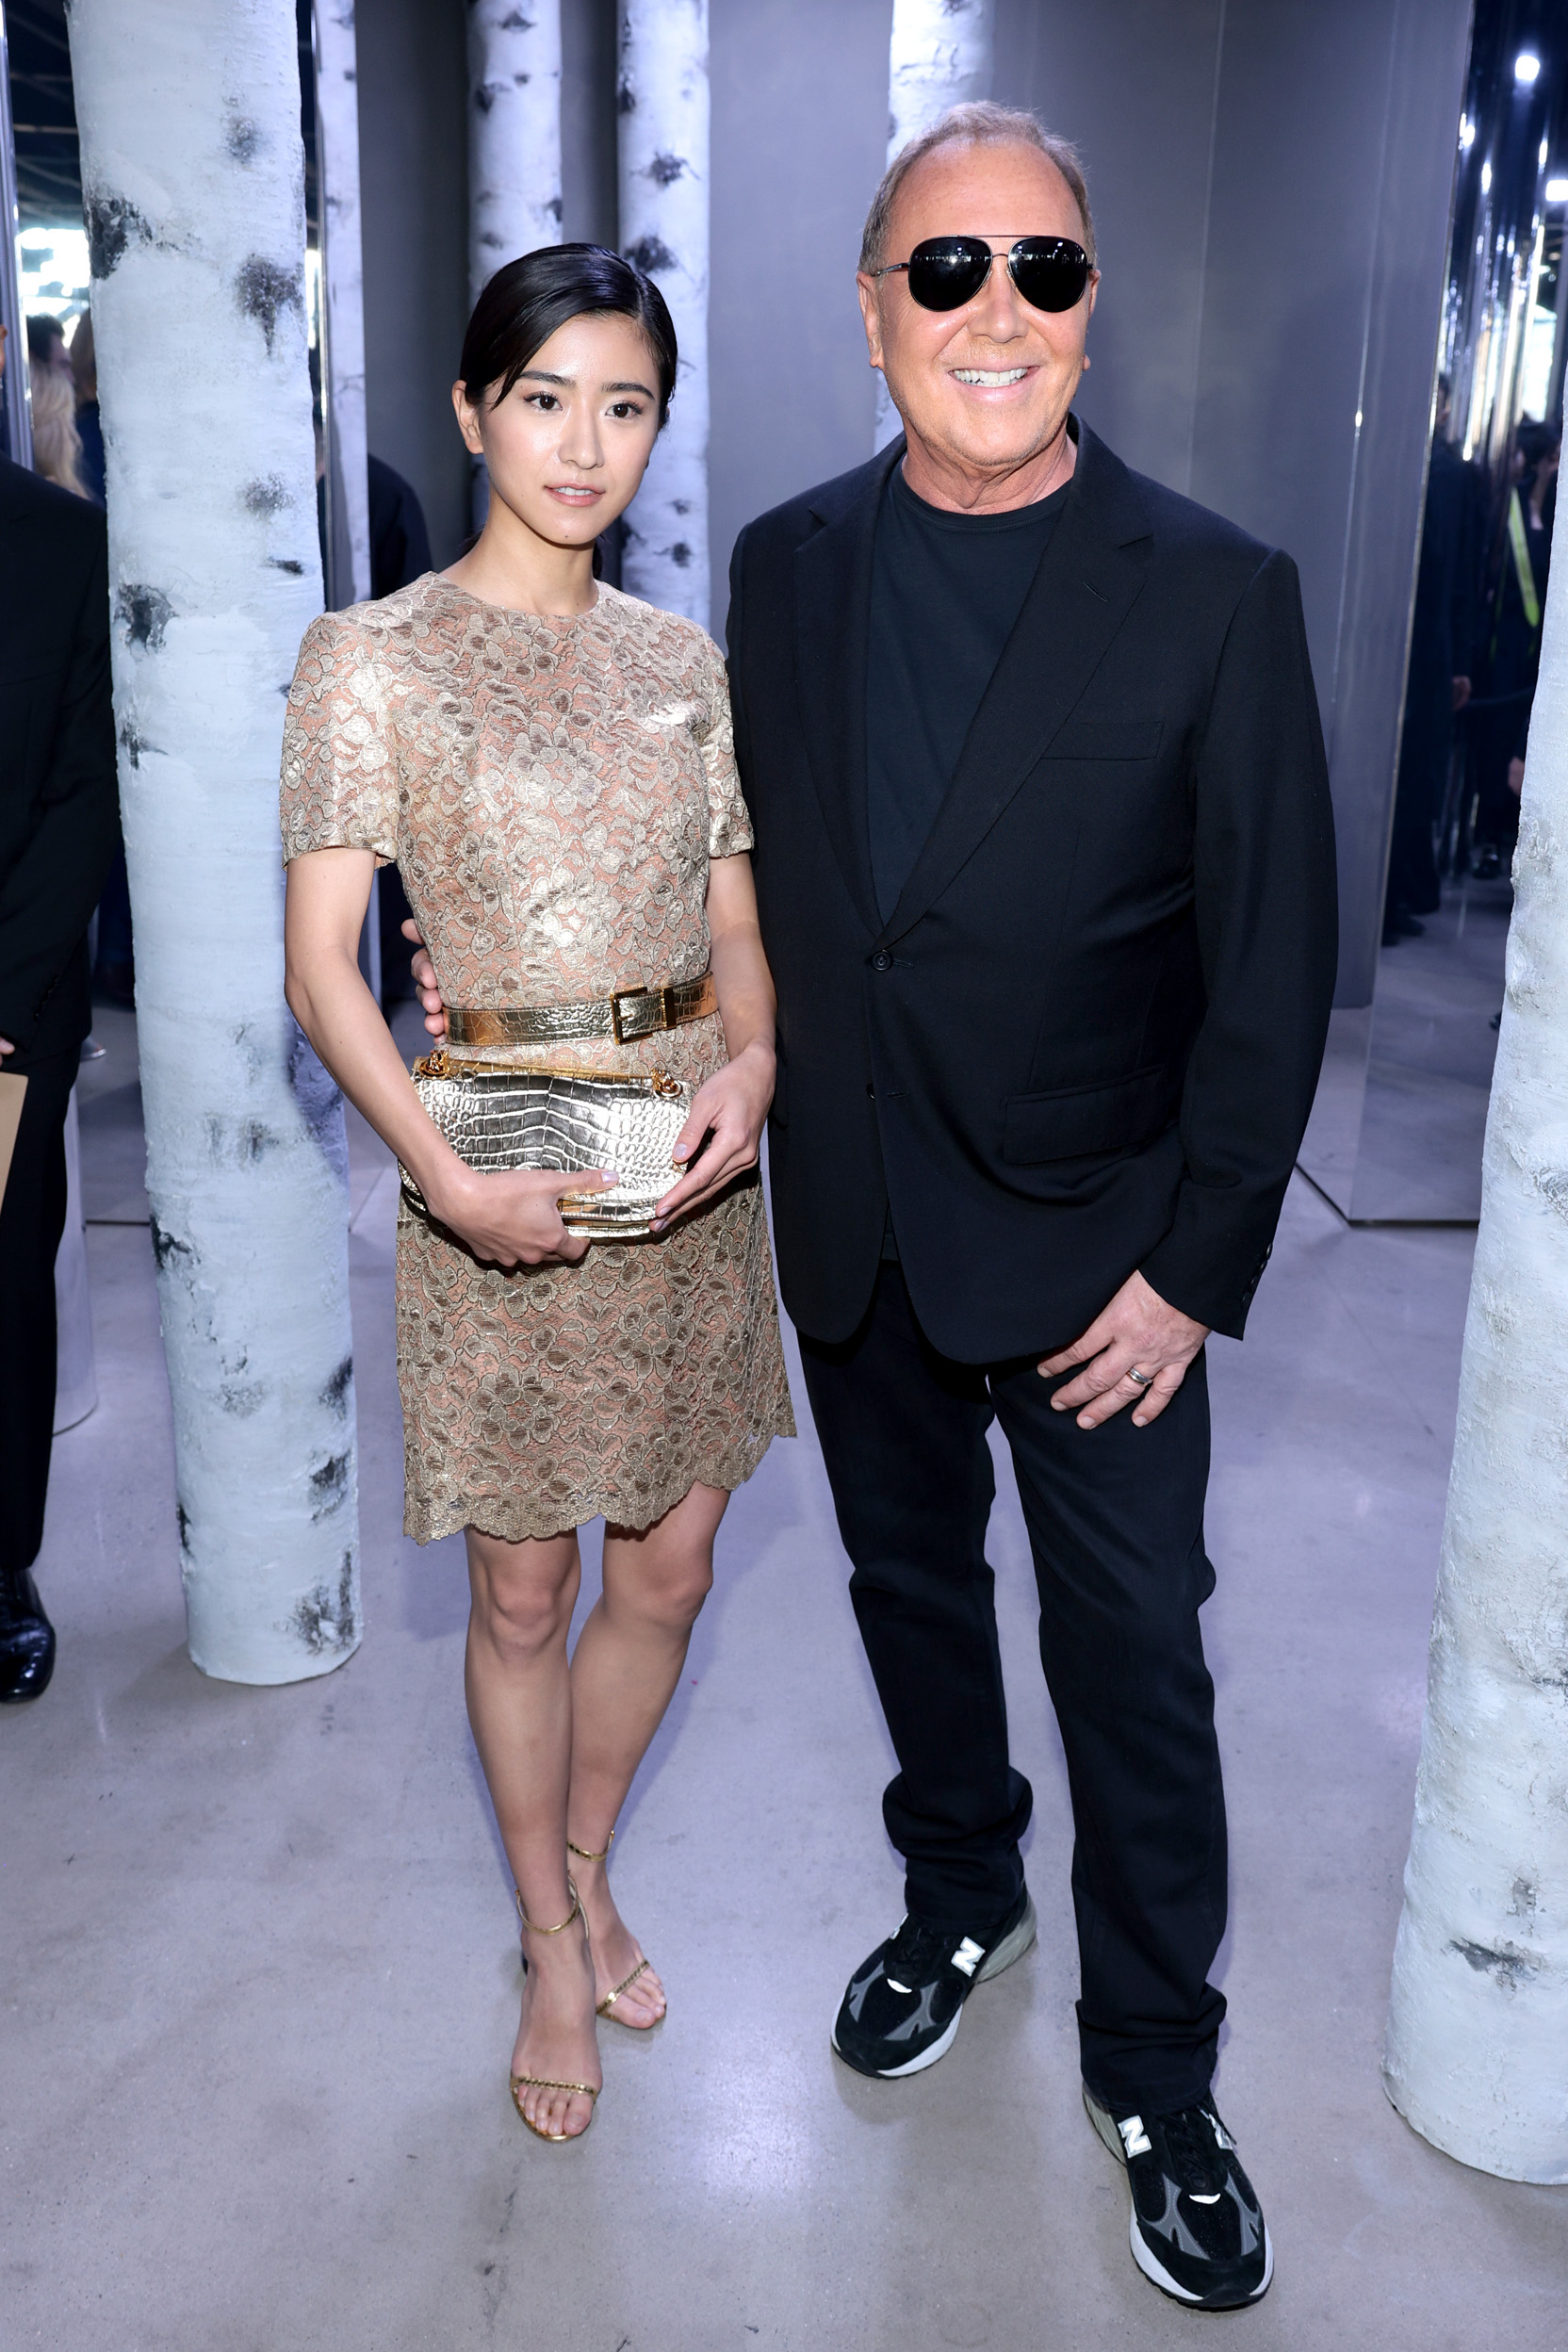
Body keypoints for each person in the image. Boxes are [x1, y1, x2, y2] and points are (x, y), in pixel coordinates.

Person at [727, 105, 1333, 2312]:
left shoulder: (1214, 590)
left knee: (1135, 1663)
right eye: (948, 268)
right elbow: (759, 886)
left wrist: (1192, 1266)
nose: (997, 309)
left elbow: (1269, 967)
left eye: (1044, 270)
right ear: (872, 310)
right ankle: (960, 1890)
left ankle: (1156, 2067)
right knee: (909, 1595)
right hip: (861, 1224)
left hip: (1103, 1260)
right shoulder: (783, 565)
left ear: (1088, 311)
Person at [279, 245, 793, 2147]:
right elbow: (324, 973)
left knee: (670, 1566)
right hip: (492, 1164)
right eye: (546, 398)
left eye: (624, 404)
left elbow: (735, 928)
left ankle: (580, 1863)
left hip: (690, 1158)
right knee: (520, 1593)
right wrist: (440, 1180)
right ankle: (550, 1938)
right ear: (472, 412)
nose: (584, 444)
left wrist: (754, 1064)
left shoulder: (683, 665)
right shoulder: (371, 659)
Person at [0, 438, 121, 1702]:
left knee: (0, 1286)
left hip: (7, 1000)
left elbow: (88, 788)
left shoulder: (63, 541)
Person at [1382, 376, 1477, 942]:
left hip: (1427, 649)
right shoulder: (1403, 466)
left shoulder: (1447, 473)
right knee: (1398, 773)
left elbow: (1457, 573)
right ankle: (1386, 900)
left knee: (1416, 773)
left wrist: (1455, 659)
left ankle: (1395, 895)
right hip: (1397, 643)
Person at [1470, 416, 1558, 877]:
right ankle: (1486, 835)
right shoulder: (1512, 505)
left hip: (1541, 651)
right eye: (1554, 458)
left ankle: (1515, 836)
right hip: (1507, 646)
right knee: (1499, 741)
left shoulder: (1560, 514)